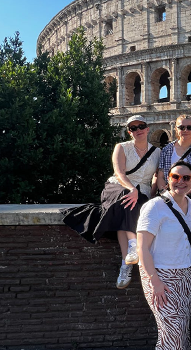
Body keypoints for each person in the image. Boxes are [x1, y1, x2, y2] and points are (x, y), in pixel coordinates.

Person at [61, 114, 160, 290]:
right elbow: (119, 173)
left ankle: (126, 263)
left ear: (147, 128)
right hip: (118, 187)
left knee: (125, 211)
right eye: (133, 128)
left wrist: (151, 197)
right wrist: (132, 189)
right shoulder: (121, 147)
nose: (137, 130)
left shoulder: (157, 152)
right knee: (126, 198)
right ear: (129, 132)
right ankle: (133, 245)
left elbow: (156, 178)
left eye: (140, 126)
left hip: (142, 191)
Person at [137, 160, 191, 350]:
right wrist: (155, 281)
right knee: (170, 330)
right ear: (167, 179)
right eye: (176, 176)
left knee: (181, 328)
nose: (181, 182)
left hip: (185, 273)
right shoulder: (154, 207)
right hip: (159, 276)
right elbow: (143, 248)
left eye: (186, 178)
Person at [157, 114, 191, 199]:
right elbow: (160, 176)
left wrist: (182, 194)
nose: (185, 130)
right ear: (176, 129)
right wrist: (165, 193)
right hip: (169, 196)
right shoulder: (166, 150)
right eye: (182, 127)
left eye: (189, 127)